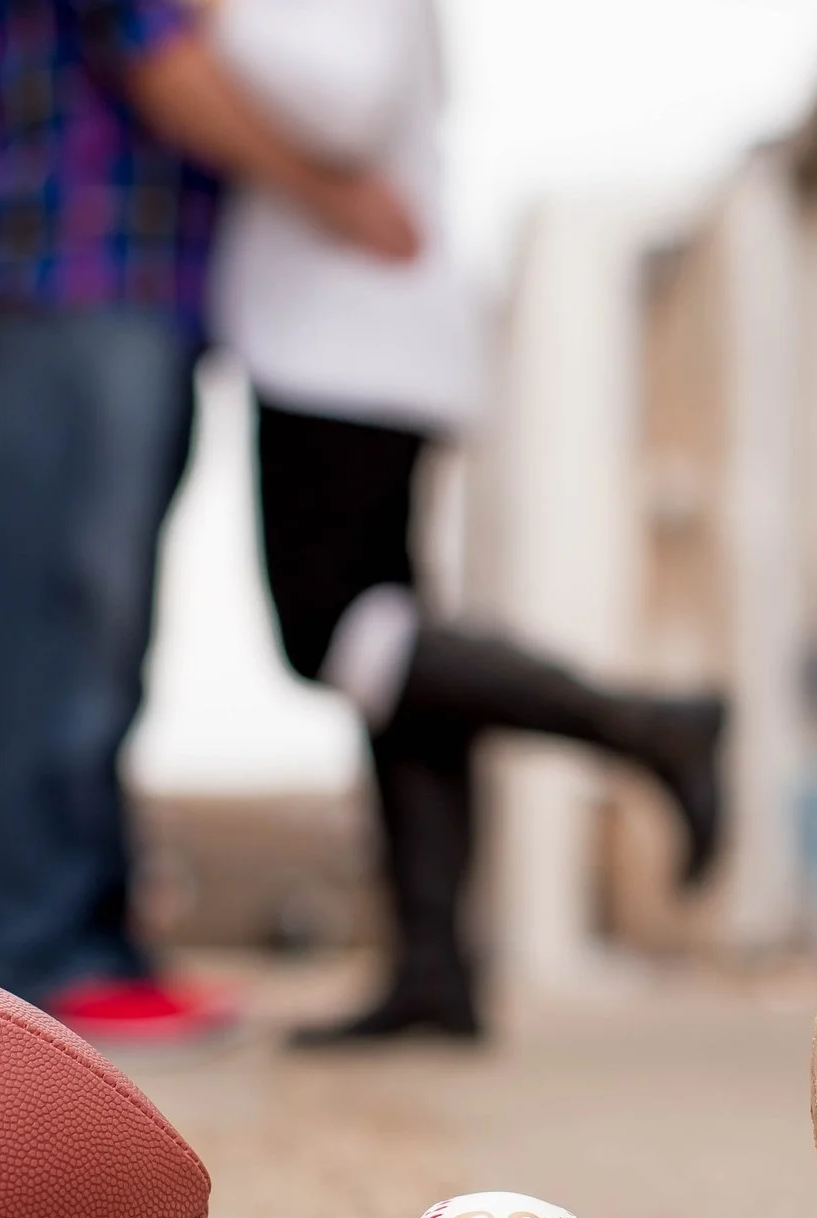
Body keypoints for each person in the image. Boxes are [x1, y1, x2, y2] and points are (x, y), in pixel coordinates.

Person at [208, 0, 727, 1045]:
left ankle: (651, 727)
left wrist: (210, 21)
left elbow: (345, 102)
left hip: (343, 347)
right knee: (387, 656)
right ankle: (434, 969)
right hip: (355, 340)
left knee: (338, 635)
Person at [0, 0, 418, 1050]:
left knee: (102, 624)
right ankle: (40, 950)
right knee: (63, 610)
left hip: (135, 282)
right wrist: (330, 194)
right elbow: (164, 59)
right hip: (69, 269)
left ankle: (91, 943)